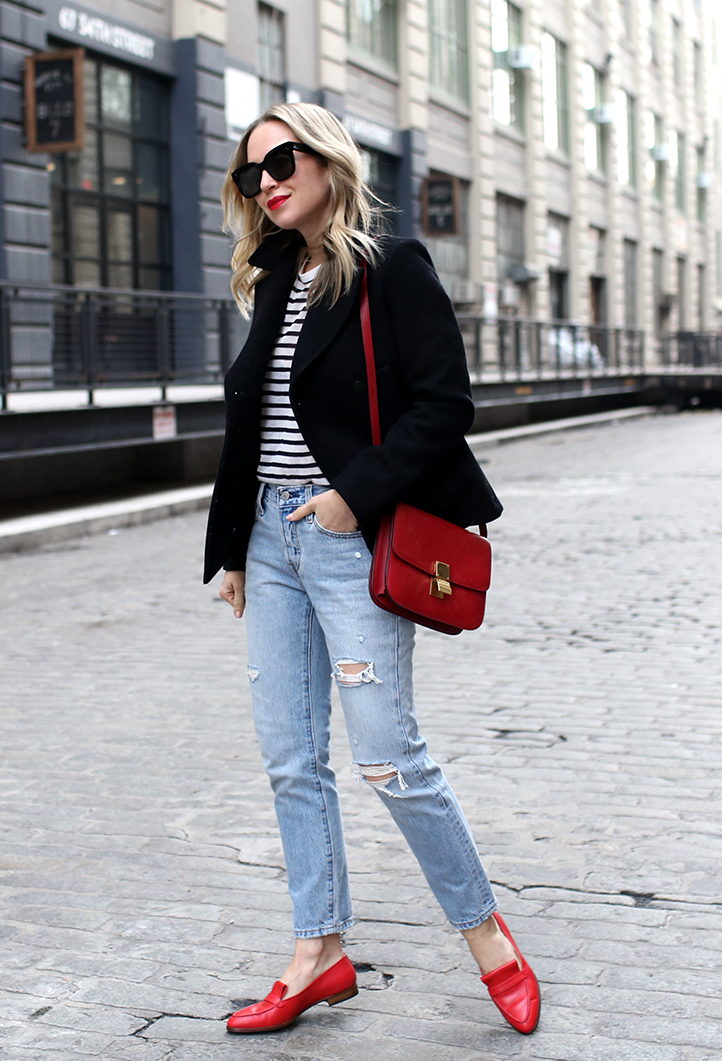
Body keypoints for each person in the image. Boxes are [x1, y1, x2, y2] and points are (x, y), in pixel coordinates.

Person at [204, 102, 540, 1037]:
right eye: (248, 174)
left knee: (389, 756)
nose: (264, 180)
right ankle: (318, 952)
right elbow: (251, 427)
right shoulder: (272, 276)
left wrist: (354, 492)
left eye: (279, 158)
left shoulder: (391, 268)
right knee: (290, 762)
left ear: (327, 154)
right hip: (272, 541)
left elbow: (445, 405)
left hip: (351, 536)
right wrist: (234, 546)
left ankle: (488, 937)